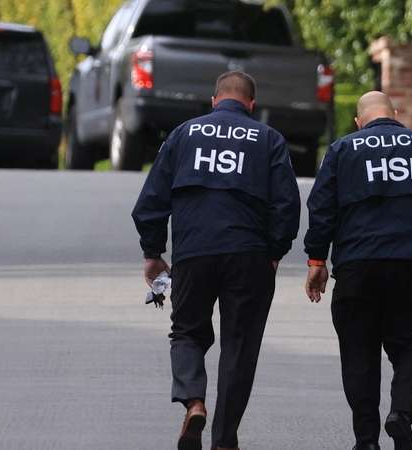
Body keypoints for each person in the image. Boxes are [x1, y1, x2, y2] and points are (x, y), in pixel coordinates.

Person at [132, 71, 300, 450]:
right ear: (251, 104)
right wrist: (274, 253)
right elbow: (288, 205)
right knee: (239, 344)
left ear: (214, 100)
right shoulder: (269, 139)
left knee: (188, 332)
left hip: (194, 252)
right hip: (250, 254)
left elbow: (151, 201)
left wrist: (152, 252)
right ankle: (225, 441)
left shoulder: (184, 134)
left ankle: (194, 402)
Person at [304, 91, 412, 450]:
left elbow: (321, 209)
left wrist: (317, 260)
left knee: (358, 353)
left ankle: (366, 441)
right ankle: (401, 415)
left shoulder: (343, 150)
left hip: (356, 268)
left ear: (359, 122)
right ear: (395, 114)